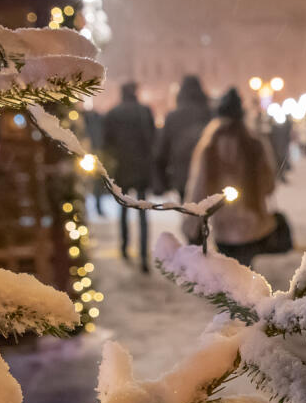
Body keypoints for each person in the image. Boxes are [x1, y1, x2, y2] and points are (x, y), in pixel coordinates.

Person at [185, 88, 277, 266]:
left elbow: (199, 187)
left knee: (228, 277)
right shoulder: (254, 143)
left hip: (223, 224)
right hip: (252, 222)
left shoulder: (210, 146)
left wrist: (191, 225)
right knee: (246, 275)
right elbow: (269, 184)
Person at [101, 82, 157, 272]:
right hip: (141, 168)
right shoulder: (144, 111)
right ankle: (143, 256)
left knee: (123, 209)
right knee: (142, 212)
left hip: (123, 168)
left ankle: (124, 247)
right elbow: (152, 139)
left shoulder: (113, 114)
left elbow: (106, 142)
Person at [154, 74, 211, 202]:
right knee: (207, 211)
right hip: (206, 171)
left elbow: (162, 149)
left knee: (187, 209)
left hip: (181, 171)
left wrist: (161, 179)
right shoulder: (208, 113)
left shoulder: (173, 116)